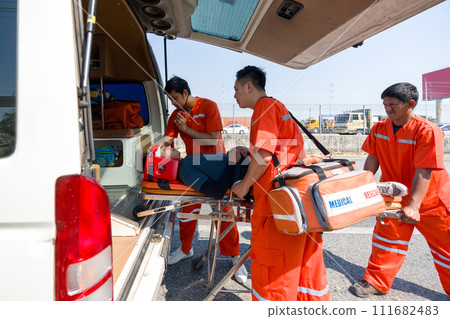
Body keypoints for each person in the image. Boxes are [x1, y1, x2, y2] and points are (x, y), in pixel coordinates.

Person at [231, 66, 330, 301]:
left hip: (276, 203)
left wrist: (243, 186)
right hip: (298, 199)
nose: (234, 95)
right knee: (305, 266)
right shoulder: (280, 108)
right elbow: (292, 152)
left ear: (249, 86)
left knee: (274, 269)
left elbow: (264, 156)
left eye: (236, 89)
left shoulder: (263, 107)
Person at [350, 82, 450, 298]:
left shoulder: (427, 131)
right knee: (386, 241)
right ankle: (375, 282)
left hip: (431, 201)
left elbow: (424, 170)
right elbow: (372, 158)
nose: (387, 109)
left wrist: (414, 205)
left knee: (446, 249)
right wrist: (365, 190)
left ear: (410, 104)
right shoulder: (379, 128)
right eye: (385, 104)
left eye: (393, 105)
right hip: (393, 196)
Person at [158, 76, 247, 283]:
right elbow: (168, 140)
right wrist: (161, 149)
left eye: (175, 98)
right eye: (170, 100)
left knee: (224, 214)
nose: (173, 103)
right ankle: (185, 249)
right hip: (194, 169)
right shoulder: (176, 115)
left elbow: (212, 138)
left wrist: (187, 129)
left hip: (216, 167)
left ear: (186, 93)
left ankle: (234, 258)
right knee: (187, 209)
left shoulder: (208, 106)